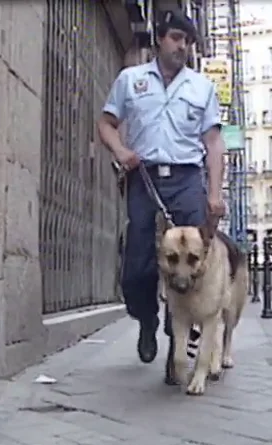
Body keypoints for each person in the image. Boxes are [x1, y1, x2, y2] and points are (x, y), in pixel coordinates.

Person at [97, 9, 226, 364]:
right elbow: (106, 124)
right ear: (159, 39)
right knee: (137, 264)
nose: (182, 46)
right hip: (144, 178)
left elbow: (214, 143)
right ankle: (146, 319)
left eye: (187, 40)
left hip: (186, 179)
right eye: (176, 38)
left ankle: (177, 333)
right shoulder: (130, 79)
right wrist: (121, 151)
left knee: (191, 260)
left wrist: (215, 193)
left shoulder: (202, 87)